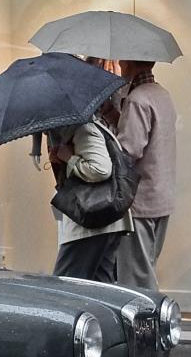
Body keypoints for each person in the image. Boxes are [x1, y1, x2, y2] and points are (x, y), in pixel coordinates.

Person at [115, 59, 177, 290]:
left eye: (122, 60)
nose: (119, 64)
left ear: (129, 63)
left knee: (136, 277)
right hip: (161, 196)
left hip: (139, 200)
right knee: (148, 265)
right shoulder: (162, 94)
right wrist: (116, 116)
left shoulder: (137, 100)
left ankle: (148, 323)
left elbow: (129, 150)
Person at [49, 119, 133, 282]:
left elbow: (100, 170)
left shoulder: (84, 128)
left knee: (66, 283)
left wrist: (69, 158)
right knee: (101, 285)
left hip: (91, 223)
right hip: (106, 221)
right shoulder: (87, 127)